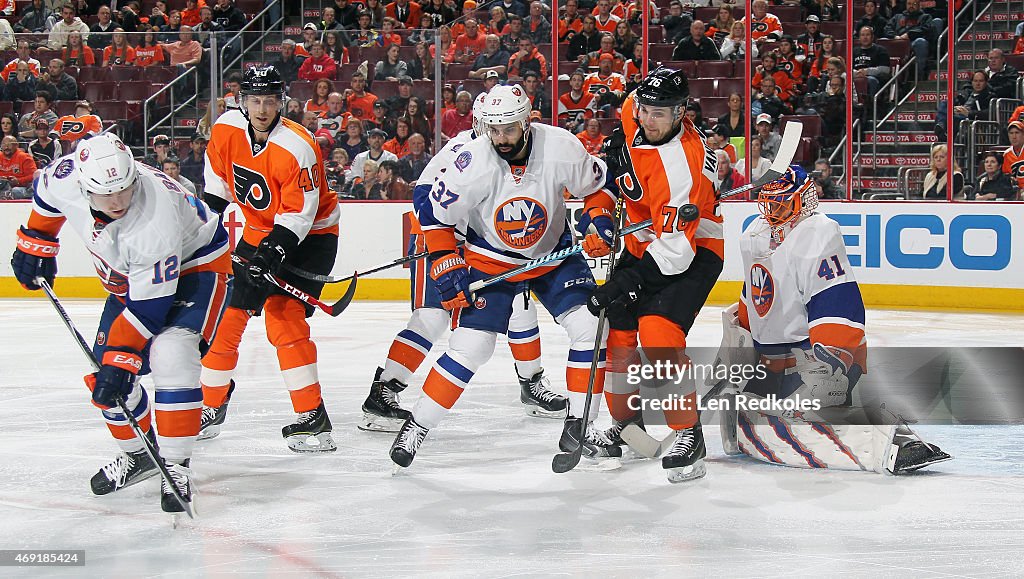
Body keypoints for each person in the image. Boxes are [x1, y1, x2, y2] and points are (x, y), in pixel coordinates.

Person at [389, 84, 613, 468]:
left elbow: (597, 190)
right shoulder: (469, 161)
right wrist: (446, 264)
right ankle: (417, 425)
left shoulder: (561, 147)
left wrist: (600, 223)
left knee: (591, 327)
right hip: (491, 262)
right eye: (493, 129)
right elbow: (435, 219)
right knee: (471, 347)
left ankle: (581, 424)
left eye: (509, 128)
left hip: (553, 258)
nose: (501, 138)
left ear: (527, 120)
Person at [10, 132, 231, 512]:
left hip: (198, 264)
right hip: (134, 276)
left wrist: (122, 359)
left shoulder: (152, 221)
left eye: (125, 190)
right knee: (105, 374)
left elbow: (149, 309)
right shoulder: (66, 175)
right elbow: (46, 194)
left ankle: (175, 465)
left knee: (171, 354)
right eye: (105, 194)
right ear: (83, 185)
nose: (117, 202)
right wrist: (36, 242)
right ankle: (140, 454)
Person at [718, 164, 950, 475]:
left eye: (782, 203)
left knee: (803, 415)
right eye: (769, 203)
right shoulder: (756, 236)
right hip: (774, 362)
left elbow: (838, 309)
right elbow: (754, 303)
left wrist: (828, 370)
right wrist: (735, 352)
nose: (773, 211)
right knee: (745, 408)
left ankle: (896, 441)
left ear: (804, 202)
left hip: (820, 360)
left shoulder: (817, 234)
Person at [579, 66, 723, 483]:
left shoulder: (681, 168)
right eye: (646, 109)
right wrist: (602, 216)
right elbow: (617, 163)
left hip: (694, 250)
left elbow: (676, 254)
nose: (650, 119)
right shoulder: (635, 112)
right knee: (618, 332)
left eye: (662, 113)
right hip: (647, 241)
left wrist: (625, 281)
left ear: (681, 114)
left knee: (658, 333)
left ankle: (687, 433)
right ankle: (628, 429)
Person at [198, 66, 342, 453]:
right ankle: (210, 403)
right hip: (260, 230)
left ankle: (312, 416)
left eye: (269, 100)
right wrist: (197, 236)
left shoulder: (298, 145)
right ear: (242, 102)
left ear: (282, 102)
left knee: (283, 319)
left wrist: (271, 256)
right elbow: (217, 190)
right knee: (226, 316)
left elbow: (300, 214)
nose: (262, 109)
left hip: (312, 237)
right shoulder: (226, 130)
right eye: (255, 100)